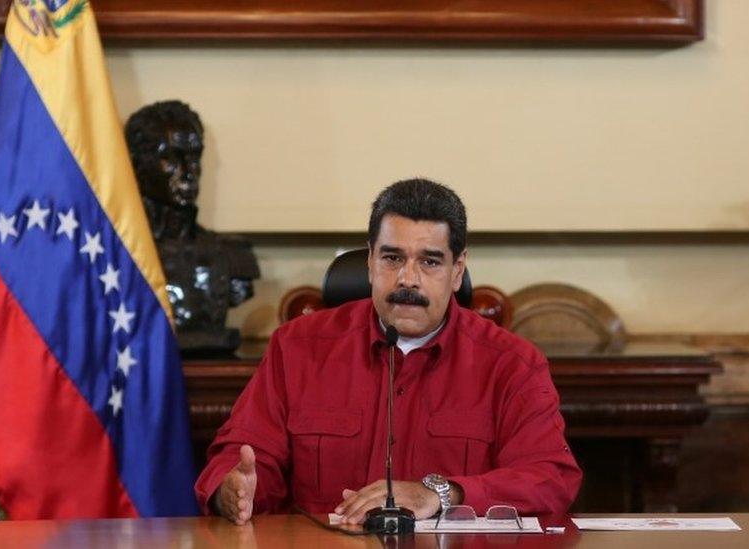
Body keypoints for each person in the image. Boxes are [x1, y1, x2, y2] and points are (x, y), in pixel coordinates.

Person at [194, 179, 581, 524]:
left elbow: (549, 478)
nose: (407, 279)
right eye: (392, 258)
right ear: (369, 261)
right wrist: (232, 491)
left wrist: (442, 494)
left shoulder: (512, 364)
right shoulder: (296, 348)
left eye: (430, 262)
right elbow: (242, 458)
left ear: (458, 269)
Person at [125, 101, 260, 356]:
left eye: (194, 156)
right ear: (137, 164)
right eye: (171, 158)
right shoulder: (115, 257)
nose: (189, 172)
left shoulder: (233, 255)